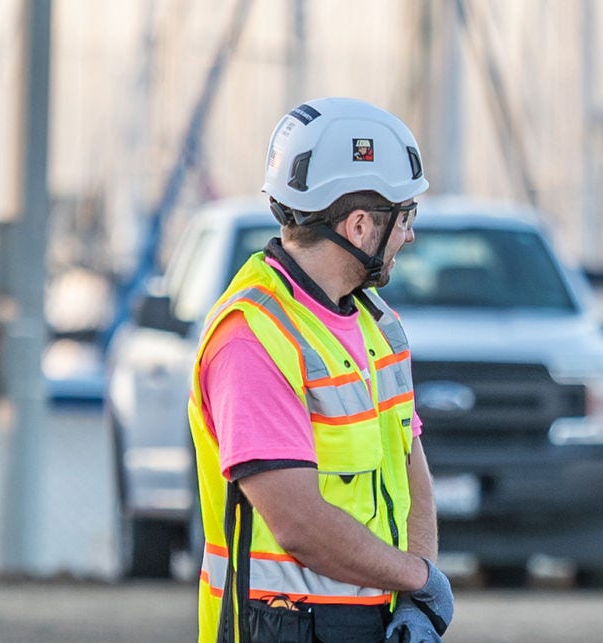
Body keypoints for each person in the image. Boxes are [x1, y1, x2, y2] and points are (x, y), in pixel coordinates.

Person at [189, 97, 454, 643]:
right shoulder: (252, 338)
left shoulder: (379, 325)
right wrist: (420, 578)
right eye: (405, 217)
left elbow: (411, 471)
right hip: (280, 626)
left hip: (373, 622)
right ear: (360, 226)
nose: (410, 235)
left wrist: (416, 600)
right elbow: (300, 524)